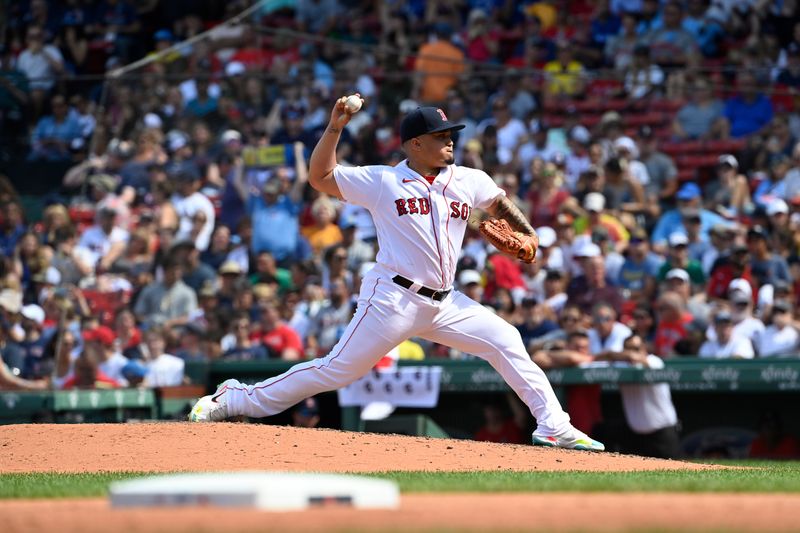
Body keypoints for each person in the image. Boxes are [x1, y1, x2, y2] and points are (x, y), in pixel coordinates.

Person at [190, 99, 605, 451]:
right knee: (338, 370)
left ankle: (554, 426)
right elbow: (320, 177)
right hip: (394, 297)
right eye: (441, 137)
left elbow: (500, 205)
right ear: (415, 144)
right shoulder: (384, 180)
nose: (450, 142)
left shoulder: (468, 179)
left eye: (451, 135)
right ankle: (235, 397)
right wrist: (334, 128)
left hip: (446, 301)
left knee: (506, 339)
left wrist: (528, 235)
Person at [596, 333, 681, 459]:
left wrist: (627, 355)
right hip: (635, 436)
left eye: (636, 348)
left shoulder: (654, 361)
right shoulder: (622, 366)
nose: (632, 353)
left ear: (644, 348)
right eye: (628, 349)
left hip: (663, 434)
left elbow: (642, 361)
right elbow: (599, 357)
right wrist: (621, 356)